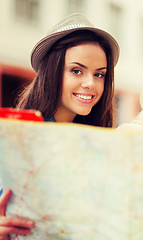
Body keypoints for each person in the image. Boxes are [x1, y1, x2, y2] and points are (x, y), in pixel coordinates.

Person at [0, 13, 120, 238]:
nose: (90, 84)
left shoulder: (101, 145)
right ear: (52, 71)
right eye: (77, 70)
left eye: (99, 74)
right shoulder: (13, 137)